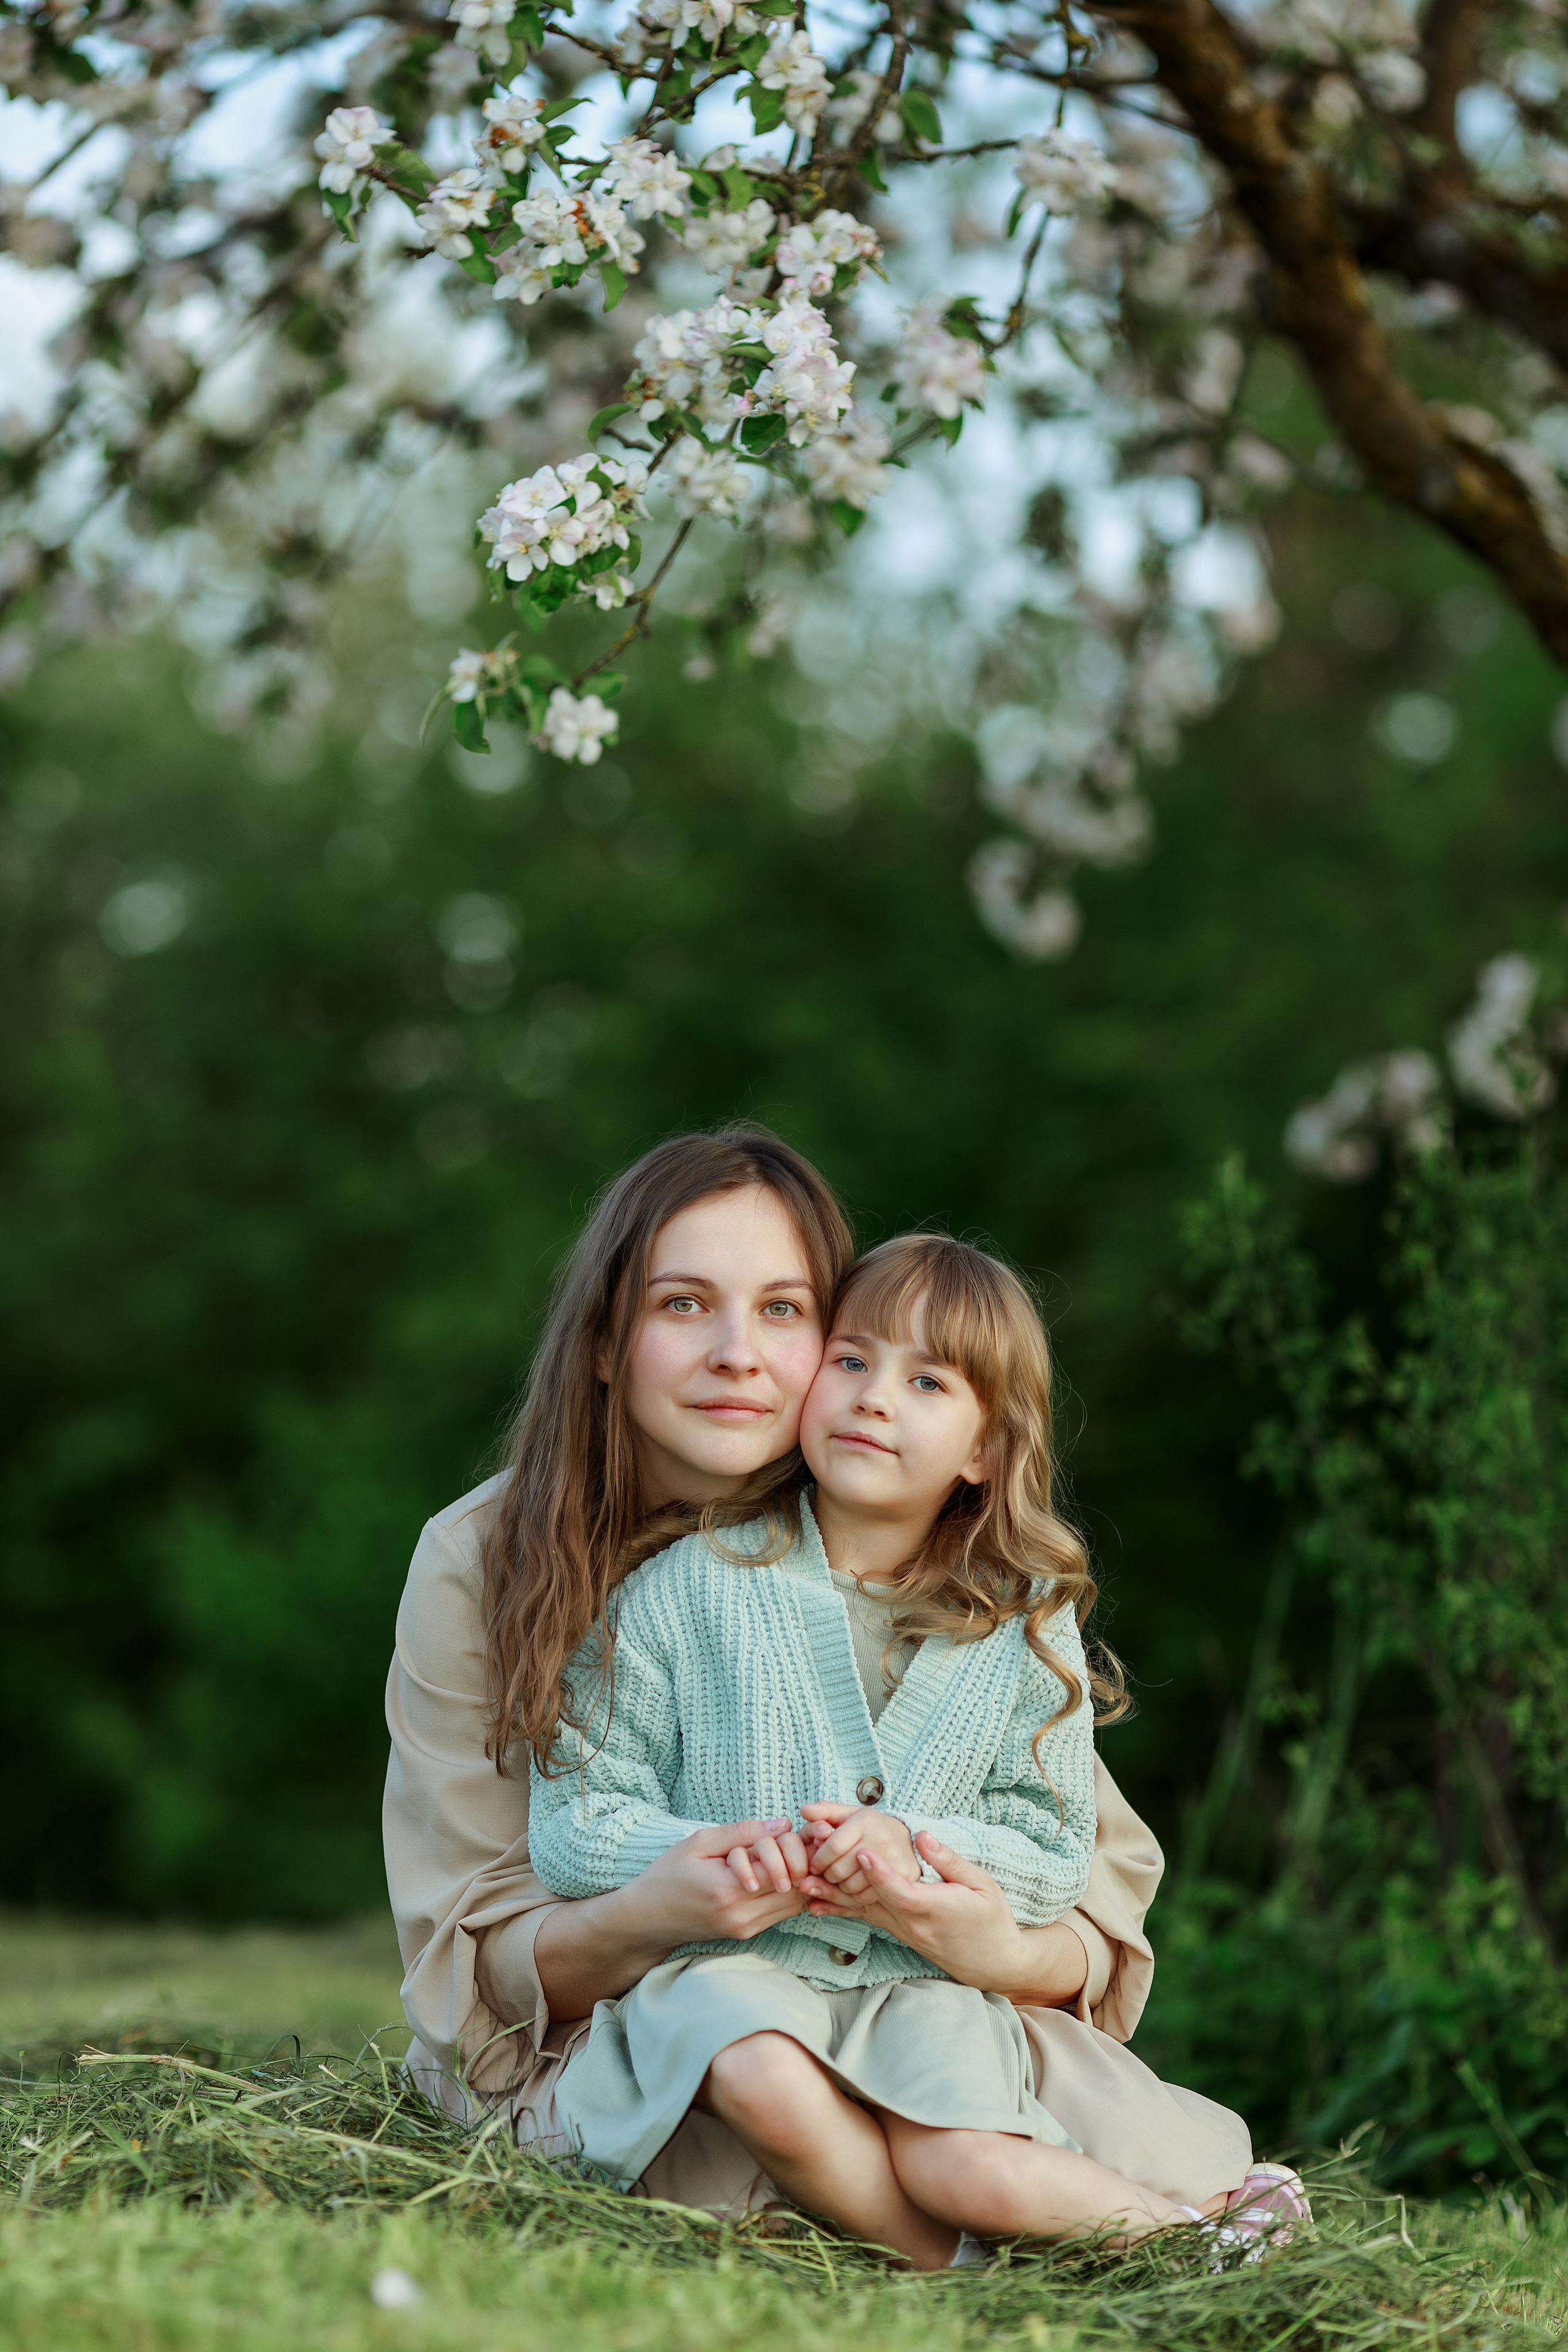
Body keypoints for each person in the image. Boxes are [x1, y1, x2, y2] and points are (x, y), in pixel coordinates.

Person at [383, 1125, 1258, 2223]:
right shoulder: (482, 1560)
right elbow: (472, 1959)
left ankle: (1045, 2198)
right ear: (605, 1339)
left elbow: (1080, 1892)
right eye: (683, 1304)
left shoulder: (933, 1561)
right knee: (747, 2088)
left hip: (914, 2008)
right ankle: (931, 2239)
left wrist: (984, 1938)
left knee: (997, 2117)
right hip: (634, 2028)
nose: (738, 1353)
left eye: (784, 1310)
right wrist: (657, 1907)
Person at [530, 1232, 1210, 2266]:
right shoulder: (680, 1592)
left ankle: (1211, 2244)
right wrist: (711, 1855)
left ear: (986, 1450)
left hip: (923, 1992)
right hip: (728, 1974)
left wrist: (914, 1852)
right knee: (759, 2075)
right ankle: (958, 2275)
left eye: (927, 1381)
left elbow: (1052, 1848)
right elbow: (578, 1819)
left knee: (971, 2168)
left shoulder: (1023, 1624)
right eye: (850, 1359)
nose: (874, 1398)